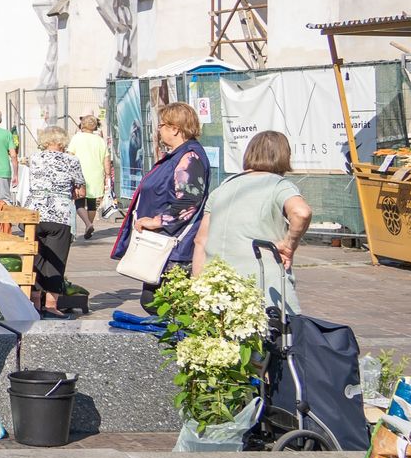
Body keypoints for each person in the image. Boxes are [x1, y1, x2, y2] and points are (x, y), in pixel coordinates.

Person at [195, 129, 312, 315]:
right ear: (284, 156)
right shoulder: (279, 185)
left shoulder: (222, 188)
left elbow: (201, 240)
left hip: (217, 285)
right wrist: (289, 245)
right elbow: (301, 212)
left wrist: (198, 287)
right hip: (263, 287)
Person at [111, 101, 210, 308]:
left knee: (160, 304)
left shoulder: (189, 157)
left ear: (175, 129)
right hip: (162, 245)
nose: (159, 131)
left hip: (174, 247)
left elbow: (189, 201)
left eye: (161, 126)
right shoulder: (176, 155)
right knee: (154, 302)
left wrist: (157, 221)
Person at [26, 126, 87, 316]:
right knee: (56, 260)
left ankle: (35, 303)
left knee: (35, 257)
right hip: (59, 215)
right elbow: (81, 191)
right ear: (62, 141)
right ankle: (51, 305)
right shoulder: (72, 160)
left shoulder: (34, 158)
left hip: (33, 213)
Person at [69, 115, 111, 238]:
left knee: (79, 201)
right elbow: (106, 159)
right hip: (96, 174)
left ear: (82, 125)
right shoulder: (100, 140)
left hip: (80, 173)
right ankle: (90, 224)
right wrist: (107, 175)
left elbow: (70, 155)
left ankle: (87, 224)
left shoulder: (77, 138)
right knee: (92, 202)